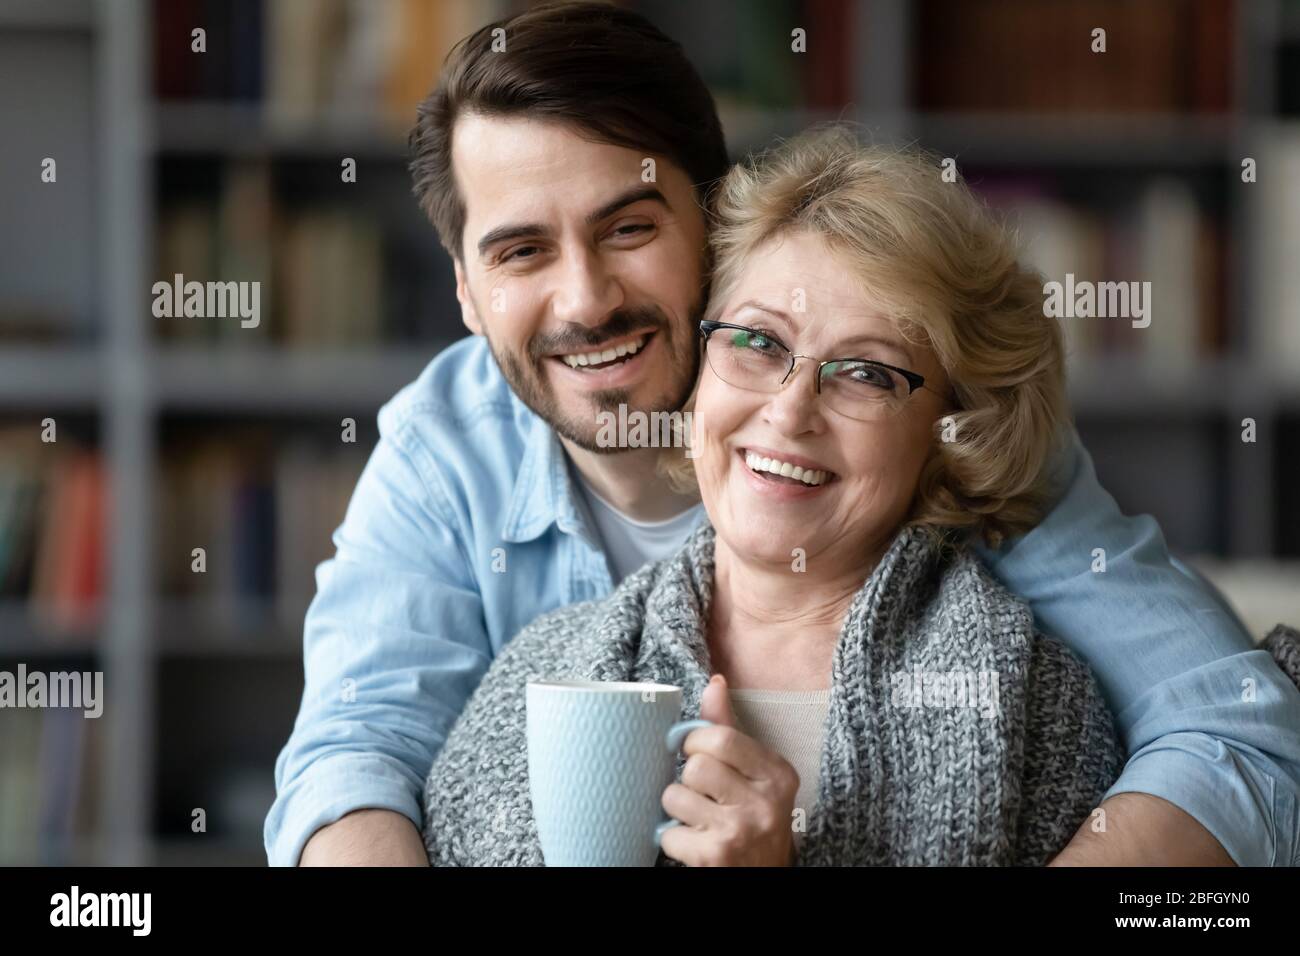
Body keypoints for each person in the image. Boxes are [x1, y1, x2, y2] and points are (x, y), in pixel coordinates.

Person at [265, 1, 1300, 867]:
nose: (585, 300)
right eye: (520, 251)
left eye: (629, 226)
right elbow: (353, 756)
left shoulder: (978, 479)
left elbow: (1236, 725)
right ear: (465, 290)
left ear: (711, 225)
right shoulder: (444, 451)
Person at [424, 127, 1133, 865]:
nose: (791, 413)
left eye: (867, 372)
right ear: (696, 373)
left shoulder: (1043, 706)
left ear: (952, 433)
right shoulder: (537, 676)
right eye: (758, 343)